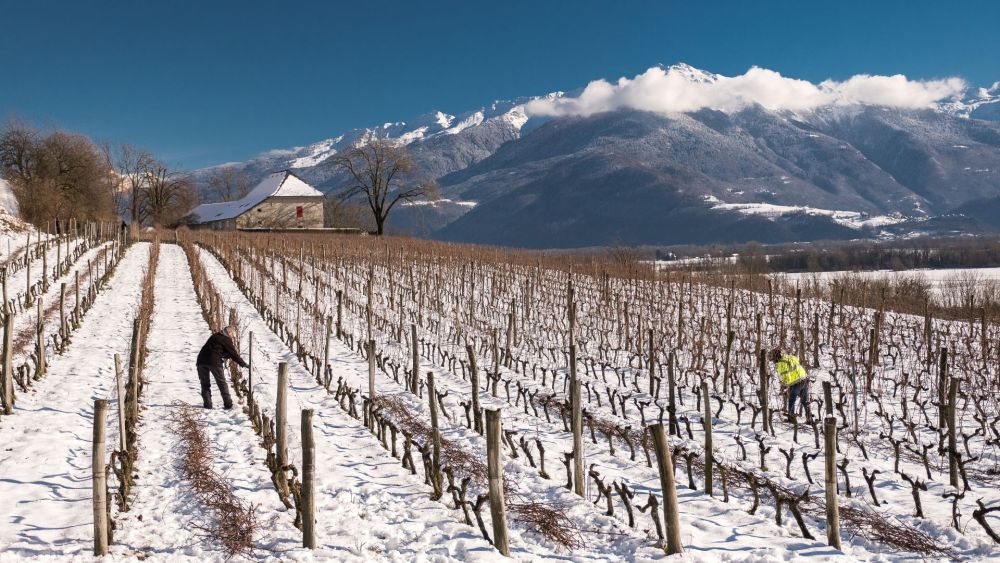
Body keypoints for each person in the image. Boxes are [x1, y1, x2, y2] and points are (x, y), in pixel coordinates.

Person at [196, 326, 248, 409]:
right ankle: (228, 404)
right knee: (222, 383)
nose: (232, 337)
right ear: (229, 333)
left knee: (205, 384)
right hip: (214, 362)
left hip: (200, 361)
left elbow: (216, 349)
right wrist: (243, 364)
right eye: (232, 335)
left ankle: (207, 405)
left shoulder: (215, 336)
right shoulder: (226, 339)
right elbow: (233, 354)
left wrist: (224, 355)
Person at [770, 347, 809, 418]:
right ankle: (809, 417)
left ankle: (791, 417)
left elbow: (786, 376)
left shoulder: (781, 363)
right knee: (805, 400)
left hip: (796, 382)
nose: (773, 361)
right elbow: (797, 361)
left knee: (792, 400)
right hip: (804, 378)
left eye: (773, 358)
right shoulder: (790, 357)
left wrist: (784, 385)